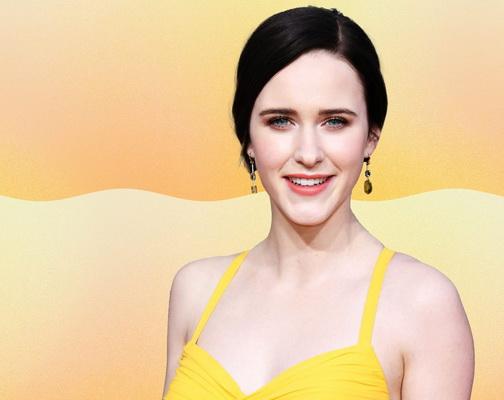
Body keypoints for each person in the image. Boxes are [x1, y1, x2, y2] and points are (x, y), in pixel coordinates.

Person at [162, 6, 474, 399]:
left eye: (335, 121)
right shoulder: (195, 290)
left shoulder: (422, 302)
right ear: (248, 138)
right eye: (280, 121)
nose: (308, 153)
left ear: (371, 137)